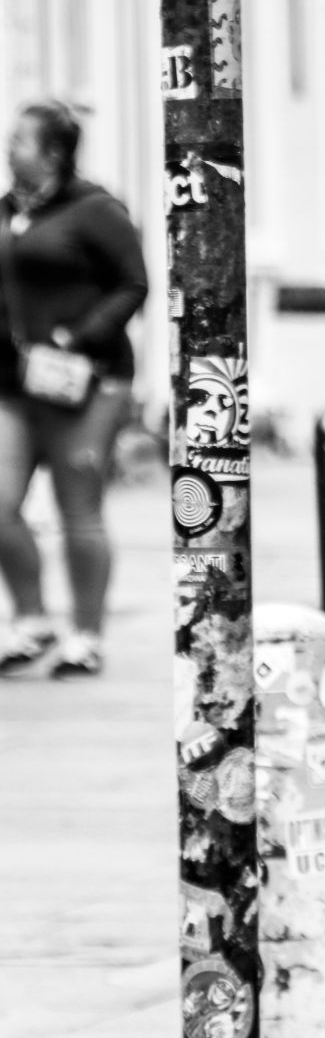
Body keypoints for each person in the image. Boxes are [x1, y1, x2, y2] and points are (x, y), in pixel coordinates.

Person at [0, 100, 147, 678]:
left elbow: (133, 284)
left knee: (77, 508)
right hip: (13, 385)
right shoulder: (8, 211)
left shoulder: (96, 211)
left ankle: (86, 636)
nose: (9, 149)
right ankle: (33, 620)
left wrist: (76, 337)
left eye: (20, 141)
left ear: (54, 152)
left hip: (87, 383)